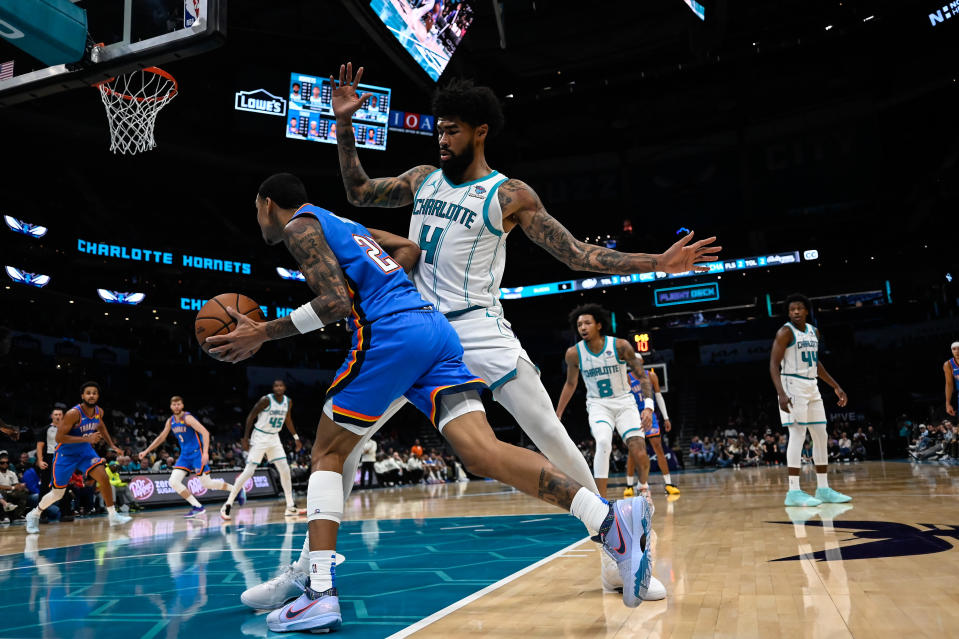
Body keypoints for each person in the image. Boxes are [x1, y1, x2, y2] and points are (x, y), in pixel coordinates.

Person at [286, 62, 717, 599]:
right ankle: (307, 568)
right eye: (438, 130)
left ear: (480, 131)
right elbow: (357, 192)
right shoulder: (421, 179)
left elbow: (578, 254)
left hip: (481, 331)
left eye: (453, 131)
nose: (442, 140)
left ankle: (619, 555)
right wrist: (345, 128)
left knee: (553, 439)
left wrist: (658, 261)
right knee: (344, 448)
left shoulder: (509, 195)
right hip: (418, 331)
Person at [205, 173, 656, 631]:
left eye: (256, 210)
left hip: (392, 335)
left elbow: (336, 302)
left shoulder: (300, 227)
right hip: (433, 328)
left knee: (328, 452)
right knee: (483, 453)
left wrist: (264, 331)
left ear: (266, 204)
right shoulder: (345, 225)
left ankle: (319, 593)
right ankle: (609, 520)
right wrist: (379, 285)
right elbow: (410, 250)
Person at [555, 304, 652, 501]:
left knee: (639, 451)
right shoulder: (574, 353)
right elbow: (571, 384)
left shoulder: (620, 346)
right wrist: (557, 414)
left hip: (625, 402)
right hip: (598, 405)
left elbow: (642, 377)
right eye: (579, 324)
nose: (582, 327)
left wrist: (648, 407)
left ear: (598, 325)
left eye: (587, 323)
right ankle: (601, 501)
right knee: (602, 442)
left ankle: (643, 487)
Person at [770, 294, 851, 507]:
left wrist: (835, 385)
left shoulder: (814, 331)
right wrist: (781, 393)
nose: (795, 312)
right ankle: (793, 491)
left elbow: (816, 364)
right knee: (798, 434)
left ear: (806, 310)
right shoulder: (785, 332)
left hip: (811, 385)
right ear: (788, 313)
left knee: (821, 434)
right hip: (792, 385)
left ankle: (823, 488)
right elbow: (773, 364)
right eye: (792, 309)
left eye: (799, 308)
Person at [24, 382, 132, 533]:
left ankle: (113, 515)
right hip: (65, 455)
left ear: (98, 396)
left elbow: (100, 425)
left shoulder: (98, 411)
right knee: (57, 493)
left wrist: (112, 445)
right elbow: (60, 438)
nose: (91, 395)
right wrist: (87, 439)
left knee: (103, 477)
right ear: (82, 396)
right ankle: (34, 514)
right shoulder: (73, 413)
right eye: (88, 393)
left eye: (94, 393)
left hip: (85, 453)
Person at [138, 396, 238, 518]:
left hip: (197, 453)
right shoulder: (170, 421)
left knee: (207, 484)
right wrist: (146, 450)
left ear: (182, 405)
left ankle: (235, 489)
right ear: (171, 406)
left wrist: (206, 453)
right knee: (173, 481)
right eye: (174, 405)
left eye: (178, 404)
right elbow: (161, 437)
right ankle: (197, 506)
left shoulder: (188, 418)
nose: (176, 407)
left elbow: (205, 432)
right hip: (184, 455)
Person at [221, 380, 301, 520]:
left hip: (274, 437)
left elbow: (288, 419)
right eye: (276, 385)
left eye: (281, 385)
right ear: (273, 388)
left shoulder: (288, 401)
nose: (278, 387)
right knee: (249, 471)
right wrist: (245, 438)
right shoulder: (266, 400)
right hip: (260, 436)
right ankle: (227, 504)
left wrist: (296, 437)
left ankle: (290, 506)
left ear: (285, 388)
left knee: (285, 469)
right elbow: (251, 416)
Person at [625, 367, 679, 496]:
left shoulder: (651, 376)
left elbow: (659, 397)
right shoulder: (627, 377)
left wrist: (666, 417)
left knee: (659, 448)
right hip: (634, 416)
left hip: (650, 416)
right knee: (632, 452)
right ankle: (629, 486)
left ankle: (668, 484)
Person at [943, 341, 959, 420]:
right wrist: (947, 403)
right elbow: (949, 384)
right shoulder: (948, 364)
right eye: (954, 349)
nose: (957, 351)